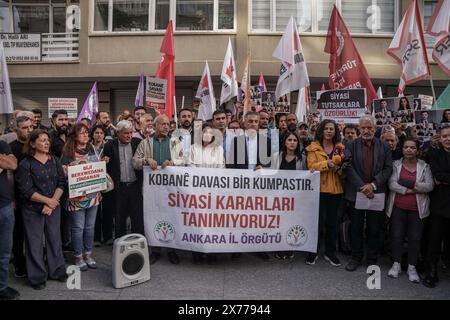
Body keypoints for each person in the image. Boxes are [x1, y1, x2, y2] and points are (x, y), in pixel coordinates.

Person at [15, 130, 67, 290]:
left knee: (54, 239)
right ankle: (37, 277)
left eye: (48, 140)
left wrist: (52, 203)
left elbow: (61, 182)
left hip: (53, 207)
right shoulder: (25, 164)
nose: (46, 143)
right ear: (32, 144)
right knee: (34, 243)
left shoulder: (55, 160)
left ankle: (57, 270)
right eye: (42, 140)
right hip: (32, 209)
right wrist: (48, 201)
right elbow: (26, 191)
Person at [344, 116, 393, 271]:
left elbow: (388, 168)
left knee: (374, 228)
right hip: (356, 193)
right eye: (364, 128)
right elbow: (348, 167)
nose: (366, 131)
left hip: (377, 193)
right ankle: (355, 257)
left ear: (375, 128)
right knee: (356, 227)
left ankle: (372, 258)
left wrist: (373, 185)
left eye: (370, 128)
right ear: (359, 129)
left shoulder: (384, 146)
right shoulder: (350, 145)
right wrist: (362, 187)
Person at [132, 115, 183, 265]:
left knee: (171, 217)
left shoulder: (175, 142)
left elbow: (185, 160)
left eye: (168, 124)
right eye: (163, 124)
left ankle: (172, 249)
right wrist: (146, 160)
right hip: (151, 191)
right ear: (155, 126)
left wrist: (173, 162)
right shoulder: (145, 143)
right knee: (153, 217)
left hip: (171, 190)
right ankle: (155, 250)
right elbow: (135, 162)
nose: (166, 127)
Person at [385, 138, 434, 283]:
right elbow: (392, 184)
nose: (409, 150)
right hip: (397, 207)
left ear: (418, 150)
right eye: (406, 147)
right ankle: (396, 264)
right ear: (402, 149)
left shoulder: (425, 166)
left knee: (415, 238)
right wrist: (411, 190)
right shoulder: (396, 164)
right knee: (396, 236)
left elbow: (430, 186)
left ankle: (412, 267)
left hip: (418, 209)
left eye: (412, 147)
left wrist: (409, 184)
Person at [227, 112, 271, 260]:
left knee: (257, 217)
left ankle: (258, 247)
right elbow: (231, 165)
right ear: (244, 123)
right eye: (250, 121)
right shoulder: (237, 141)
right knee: (239, 217)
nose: (253, 124)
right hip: (240, 186)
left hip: (258, 186)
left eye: (256, 121)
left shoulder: (266, 141)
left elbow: (269, 163)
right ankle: (237, 247)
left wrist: (263, 167)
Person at [61, 123, 103, 271]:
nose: (86, 135)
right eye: (82, 132)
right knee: (78, 228)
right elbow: (64, 178)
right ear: (74, 136)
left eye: (87, 132)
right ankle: (78, 256)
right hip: (76, 199)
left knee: (90, 227)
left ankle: (88, 254)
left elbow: (96, 171)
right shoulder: (67, 154)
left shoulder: (92, 149)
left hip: (93, 196)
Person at [306, 120, 345, 266]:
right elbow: (311, 166)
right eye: (327, 128)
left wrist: (339, 169)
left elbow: (345, 168)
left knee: (332, 223)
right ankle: (312, 251)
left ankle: (330, 252)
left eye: (332, 129)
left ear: (335, 132)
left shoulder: (341, 148)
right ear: (321, 130)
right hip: (318, 190)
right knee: (316, 222)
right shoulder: (313, 147)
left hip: (335, 190)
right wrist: (327, 164)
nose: (329, 131)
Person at [189, 123, 225, 264]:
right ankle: (197, 253)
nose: (207, 135)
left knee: (212, 223)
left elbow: (221, 166)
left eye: (210, 132)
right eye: (205, 132)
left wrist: (210, 177)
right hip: (197, 191)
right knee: (197, 221)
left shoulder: (219, 149)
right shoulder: (193, 148)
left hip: (213, 191)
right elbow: (190, 166)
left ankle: (212, 253)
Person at [103, 120, 143, 241]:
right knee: (119, 217)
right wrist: (103, 161)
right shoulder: (109, 146)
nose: (129, 136)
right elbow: (106, 167)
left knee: (137, 217)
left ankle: (138, 242)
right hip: (119, 188)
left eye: (131, 133)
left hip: (135, 186)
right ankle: (120, 244)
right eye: (126, 133)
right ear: (118, 133)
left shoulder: (138, 143)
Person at [423, 125, 450, 288]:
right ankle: (431, 270)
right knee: (434, 238)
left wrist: (444, 179)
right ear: (440, 139)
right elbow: (436, 174)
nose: (448, 139)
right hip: (438, 204)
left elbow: (442, 177)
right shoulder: (434, 154)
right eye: (444, 136)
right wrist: (440, 178)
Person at [273, 131, 307, 260]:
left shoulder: (303, 159)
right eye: (289, 140)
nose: (292, 143)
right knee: (279, 223)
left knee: (291, 222)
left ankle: (289, 247)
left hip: (295, 198)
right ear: (285, 142)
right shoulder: (277, 156)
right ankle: (279, 247)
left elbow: (306, 177)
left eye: (294, 140)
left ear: (298, 143)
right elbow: (271, 172)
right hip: (279, 196)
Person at [9, 116, 34, 278]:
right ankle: (19, 264)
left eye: (31, 127)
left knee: (34, 234)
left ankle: (35, 262)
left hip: (37, 197)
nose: (29, 130)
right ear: (15, 130)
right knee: (18, 234)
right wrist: (12, 199)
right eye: (25, 128)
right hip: (19, 197)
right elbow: (9, 176)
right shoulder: (11, 148)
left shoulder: (37, 145)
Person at [0, 140, 20, 299]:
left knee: (5, 251)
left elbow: (13, 164)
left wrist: (5, 161)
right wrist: (3, 161)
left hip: (4, 206)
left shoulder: (2, 144)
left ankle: (2, 286)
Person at [90, 125, 113, 247]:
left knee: (108, 209)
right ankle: (96, 238)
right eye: (96, 132)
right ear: (92, 134)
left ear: (104, 135)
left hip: (106, 182)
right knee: (96, 210)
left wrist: (109, 160)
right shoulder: (88, 148)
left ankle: (108, 236)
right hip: (93, 182)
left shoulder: (108, 146)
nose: (99, 135)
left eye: (101, 133)